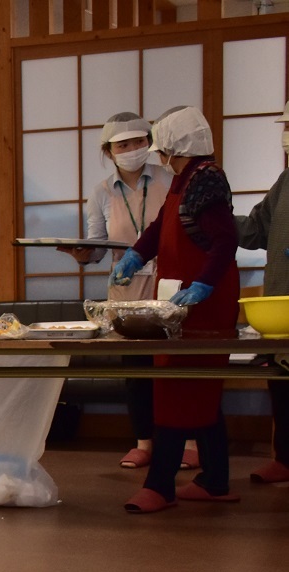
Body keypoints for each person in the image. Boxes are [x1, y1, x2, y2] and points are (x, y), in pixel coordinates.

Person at [112, 106, 241, 512]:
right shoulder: (184, 181)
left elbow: (225, 240)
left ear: (173, 145)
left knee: (174, 386)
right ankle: (215, 480)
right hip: (184, 298)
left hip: (204, 302)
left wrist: (203, 284)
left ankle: (161, 485)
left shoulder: (205, 181)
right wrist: (134, 255)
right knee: (201, 388)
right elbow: (158, 229)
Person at [63, 112, 183, 470]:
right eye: (123, 145)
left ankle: (186, 440)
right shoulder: (101, 191)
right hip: (126, 286)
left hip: (169, 281)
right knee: (135, 366)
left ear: (150, 143)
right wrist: (84, 255)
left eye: (139, 142)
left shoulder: (170, 177)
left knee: (178, 361)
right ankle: (143, 442)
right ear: (109, 150)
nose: (132, 150)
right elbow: (98, 246)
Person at [234, 100, 289, 486]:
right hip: (280, 304)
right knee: (282, 382)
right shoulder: (285, 181)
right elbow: (255, 229)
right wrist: (214, 217)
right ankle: (285, 458)